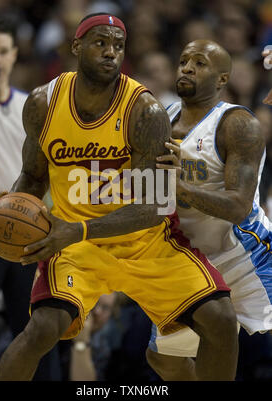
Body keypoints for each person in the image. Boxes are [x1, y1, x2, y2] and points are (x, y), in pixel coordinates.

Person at [0, 13, 239, 381]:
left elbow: (155, 206)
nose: (110, 52)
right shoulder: (43, 104)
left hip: (144, 242)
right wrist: (0, 213)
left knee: (222, 320)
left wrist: (78, 230)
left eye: (118, 45)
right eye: (100, 43)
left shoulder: (144, 111)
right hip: (76, 249)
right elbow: (33, 176)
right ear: (76, 46)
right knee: (39, 329)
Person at [146, 39, 272, 381]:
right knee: (164, 358)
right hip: (192, 262)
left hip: (246, 259)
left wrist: (179, 188)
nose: (187, 67)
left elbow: (238, 206)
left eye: (200, 63)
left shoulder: (237, 124)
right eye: (184, 60)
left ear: (221, 79)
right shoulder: (159, 118)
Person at [0, 16, 61, 381]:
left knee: (36, 324)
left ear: (14, 55)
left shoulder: (33, 107)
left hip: (30, 219)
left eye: (2, 52)